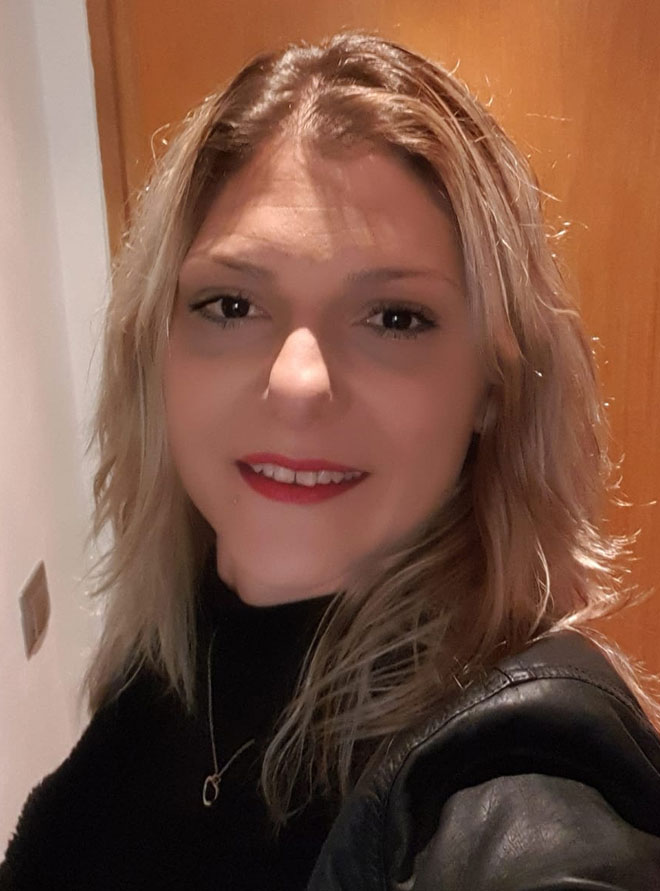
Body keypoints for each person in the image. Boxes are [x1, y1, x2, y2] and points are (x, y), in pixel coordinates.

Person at [2, 30, 660, 890]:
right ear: (153, 346)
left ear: (494, 386)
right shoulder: (178, 642)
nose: (297, 382)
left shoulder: (516, 773)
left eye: (395, 317)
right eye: (231, 304)